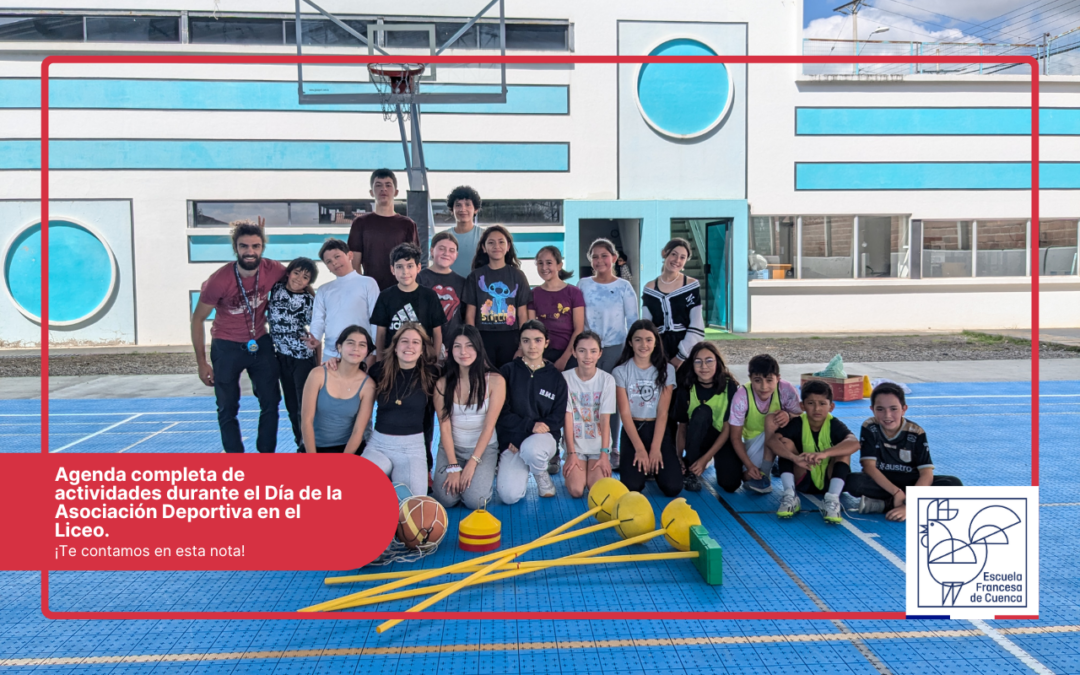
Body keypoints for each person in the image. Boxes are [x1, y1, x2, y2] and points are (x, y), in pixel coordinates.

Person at [191, 219, 285, 454]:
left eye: (256, 246)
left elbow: (298, 282)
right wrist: (202, 363)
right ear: (236, 248)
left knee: (271, 402)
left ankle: (266, 455)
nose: (250, 251)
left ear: (262, 247)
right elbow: (197, 319)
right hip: (226, 346)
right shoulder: (219, 280)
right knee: (226, 407)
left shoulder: (273, 269)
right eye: (244, 246)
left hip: (260, 342)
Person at [846, 383, 963, 522]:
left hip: (911, 481)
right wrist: (896, 492)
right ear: (872, 410)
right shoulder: (870, 427)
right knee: (852, 481)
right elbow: (868, 466)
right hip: (883, 481)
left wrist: (909, 504)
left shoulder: (916, 432)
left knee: (953, 484)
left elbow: (926, 473)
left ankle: (886, 505)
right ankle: (908, 503)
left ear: (904, 409)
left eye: (893, 409)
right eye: (880, 409)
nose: (887, 415)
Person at [578, 238, 638, 469]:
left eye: (604, 255)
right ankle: (586, 445)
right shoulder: (583, 284)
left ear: (614, 258)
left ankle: (612, 446)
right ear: (590, 261)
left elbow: (632, 321)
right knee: (587, 398)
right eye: (595, 256)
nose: (600, 260)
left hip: (615, 348)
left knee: (610, 400)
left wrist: (632, 352)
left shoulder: (624, 287)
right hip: (587, 350)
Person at [432, 326, 505, 509]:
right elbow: (445, 427)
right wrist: (453, 465)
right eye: (457, 346)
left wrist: (473, 463)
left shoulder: (496, 381)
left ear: (479, 349)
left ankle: (486, 473)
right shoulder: (442, 384)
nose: (463, 352)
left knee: (475, 502)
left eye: (469, 346)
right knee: (446, 500)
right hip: (452, 448)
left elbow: (489, 427)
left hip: (483, 449)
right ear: (450, 351)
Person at [363, 323, 440, 497]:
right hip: (379, 445)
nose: (409, 346)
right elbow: (351, 375)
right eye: (404, 341)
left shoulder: (432, 374)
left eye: (415, 342)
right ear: (395, 346)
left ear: (422, 350)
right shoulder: (379, 371)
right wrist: (335, 361)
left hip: (412, 449)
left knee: (414, 501)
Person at [495, 320, 568, 502]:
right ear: (519, 343)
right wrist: (527, 428)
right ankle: (527, 466)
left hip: (542, 441)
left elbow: (557, 418)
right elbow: (501, 413)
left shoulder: (556, 377)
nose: (532, 346)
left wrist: (529, 434)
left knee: (532, 450)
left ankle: (540, 473)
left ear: (546, 342)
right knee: (508, 496)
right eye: (526, 341)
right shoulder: (507, 372)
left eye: (537, 340)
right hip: (512, 440)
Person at [767, 379, 859, 523]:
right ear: (802, 406)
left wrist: (824, 454)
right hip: (802, 476)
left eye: (822, 403)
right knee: (784, 443)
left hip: (828, 479)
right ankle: (790, 495)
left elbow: (854, 443)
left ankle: (832, 498)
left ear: (831, 406)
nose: (817, 409)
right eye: (811, 403)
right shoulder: (797, 423)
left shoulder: (834, 425)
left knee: (844, 450)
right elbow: (772, 440)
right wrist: (794, 458)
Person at [613, 320, 680, 497]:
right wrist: (641, 450)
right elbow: (625, 414)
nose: (644, 345)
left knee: (673, 487)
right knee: (632, 487)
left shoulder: (667, 370)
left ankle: (653, 468)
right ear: (630, 342)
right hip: (633, 429)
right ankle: (645, 468)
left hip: (657, 429)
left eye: (649, 340)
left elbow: (662, 412)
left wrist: (655, 448)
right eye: (638, 340)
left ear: (656, 342)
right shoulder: (620, 372)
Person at [728, 354, 803, 494]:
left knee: (771, 419)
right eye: (757, 380)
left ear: (778, 378)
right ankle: (771, 464)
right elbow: (735, 437)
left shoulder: (786, 390)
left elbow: (801, 417)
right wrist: (749, 466)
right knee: (748, 476)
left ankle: (766, 472)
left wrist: (788, 415)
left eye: (769, 380)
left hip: (783, 437)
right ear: (750, 379)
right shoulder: (742, 396)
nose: (764, 386)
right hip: (756, 440)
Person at [672, 341, 740, 493]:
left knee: (731, 484)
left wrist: (706, 459)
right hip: (696, 438)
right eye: (698, 362)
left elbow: (727, 429)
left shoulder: (730, 386)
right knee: (702, 412)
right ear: (692, 364)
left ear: (717, 362)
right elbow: (682, 427)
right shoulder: (687, 386)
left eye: (709, 361)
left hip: (721, 438)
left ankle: (710, 461)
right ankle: (691, 467)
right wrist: (679, 457)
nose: (704, 366)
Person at [267, 256, 319, 453]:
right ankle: (300, 442)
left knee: (304, 407)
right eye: (297, 272)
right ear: (288, 273)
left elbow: (318, 328)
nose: (299, 278)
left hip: (302, 358)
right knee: (290, 404)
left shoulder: (308, 300)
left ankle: (309, 447)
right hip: (281, 357)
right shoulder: (276, 289)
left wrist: (318, 352)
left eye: (305, 277)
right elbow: (266, 268)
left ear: (309, 282)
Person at [463, 225, 532, 369]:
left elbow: (522, 314)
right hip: (482, 337)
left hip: (510, 338)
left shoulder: (518, 276)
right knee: (485, 380)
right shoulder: (475, 276)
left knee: (509, 381)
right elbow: (470, 316)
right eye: (491, 242)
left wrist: (522, 345)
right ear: (484, 247)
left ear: (508, 247)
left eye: (501, 242)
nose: (496, 246)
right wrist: (472, 344)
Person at [299, 326, 375, 454]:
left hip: (348, 449)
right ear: (339, 347)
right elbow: (307, 421)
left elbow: (358, 431)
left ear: (367, 352)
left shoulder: (368, 386)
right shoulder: (318, 375)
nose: (356, 348)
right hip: (314, 448)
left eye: (362, 345)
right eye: (350, 343)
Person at [307, 239, 380, 365]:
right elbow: (318, 320)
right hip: (331, 353)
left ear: (350, 255)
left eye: (337, 257)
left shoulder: (368, 283)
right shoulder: (324, 290)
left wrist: (374, 352)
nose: (334, 263)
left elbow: (376, 320)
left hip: (361, 352)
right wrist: (315, 337)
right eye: (329, 262)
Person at [562, 331, 617, 498]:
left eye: (593, 351)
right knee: (576, 490)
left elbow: (605, 419)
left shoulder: (607, 380)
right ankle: (578, 464)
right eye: (582, 350)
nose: (588, 356)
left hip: (598, 446)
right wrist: (571, 454)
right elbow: (568, 418)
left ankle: (593, 463)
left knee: (596, 490)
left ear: (600, 353)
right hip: (576, 446)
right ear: (574, 352)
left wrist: (604, 454)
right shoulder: (565, 378)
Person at [370, 243, 446, 360]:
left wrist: (434, 361)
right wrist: (380, 363)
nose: (405, 272)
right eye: (399, 267)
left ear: (419, 267)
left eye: (410, 266)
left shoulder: (429, 296)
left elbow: (437, 333)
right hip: (392, 362)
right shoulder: (385, 296)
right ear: (392, 269)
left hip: (423, 361)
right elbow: (380, 334)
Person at [348, 168, 419, 290]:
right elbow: (354, 264)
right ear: (371, 192)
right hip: (370, 290)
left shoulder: (407, 224)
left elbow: (414, 262)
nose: (383, 189)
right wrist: (361, 289)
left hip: (400, 290)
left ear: (396, 192)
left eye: (388, 185)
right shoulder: (360, 223)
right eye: (378, 185)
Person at [641, 238, 704, 370]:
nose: (677, 260)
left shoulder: (691, 285)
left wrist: (680, 357)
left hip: (686, 349)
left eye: (682, 257)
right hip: (657, 350)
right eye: (674, 254)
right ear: (665, 254)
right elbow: (646, 325)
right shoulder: (650, 288)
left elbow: (696, 325)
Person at [528, 245, 585, 371]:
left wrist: (564, 359)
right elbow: (531, 328)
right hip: (542, 353)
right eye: (540, 263)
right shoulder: (534, 293)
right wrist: (539, 357)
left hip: (570, 352)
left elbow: (579, 329)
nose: (544, 267)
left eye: (549, 263)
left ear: (559, 265)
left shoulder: (574, 292)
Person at [417, 231, 465, 361]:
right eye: (441, 249)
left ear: (456, 255)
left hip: (452, 346)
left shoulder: (462, 282)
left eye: (451, 250)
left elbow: (464, 316)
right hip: (423, 345)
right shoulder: (420, 278)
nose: (446, 253)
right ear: (432, 251)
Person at [446, 185, 484, 278]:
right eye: (458, 205)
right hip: (450, 289)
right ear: (452, 210)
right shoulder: (443, 237)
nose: (463, 209)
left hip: (478, 288)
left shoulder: (485, 236)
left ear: (476, 209)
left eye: (467, 204)